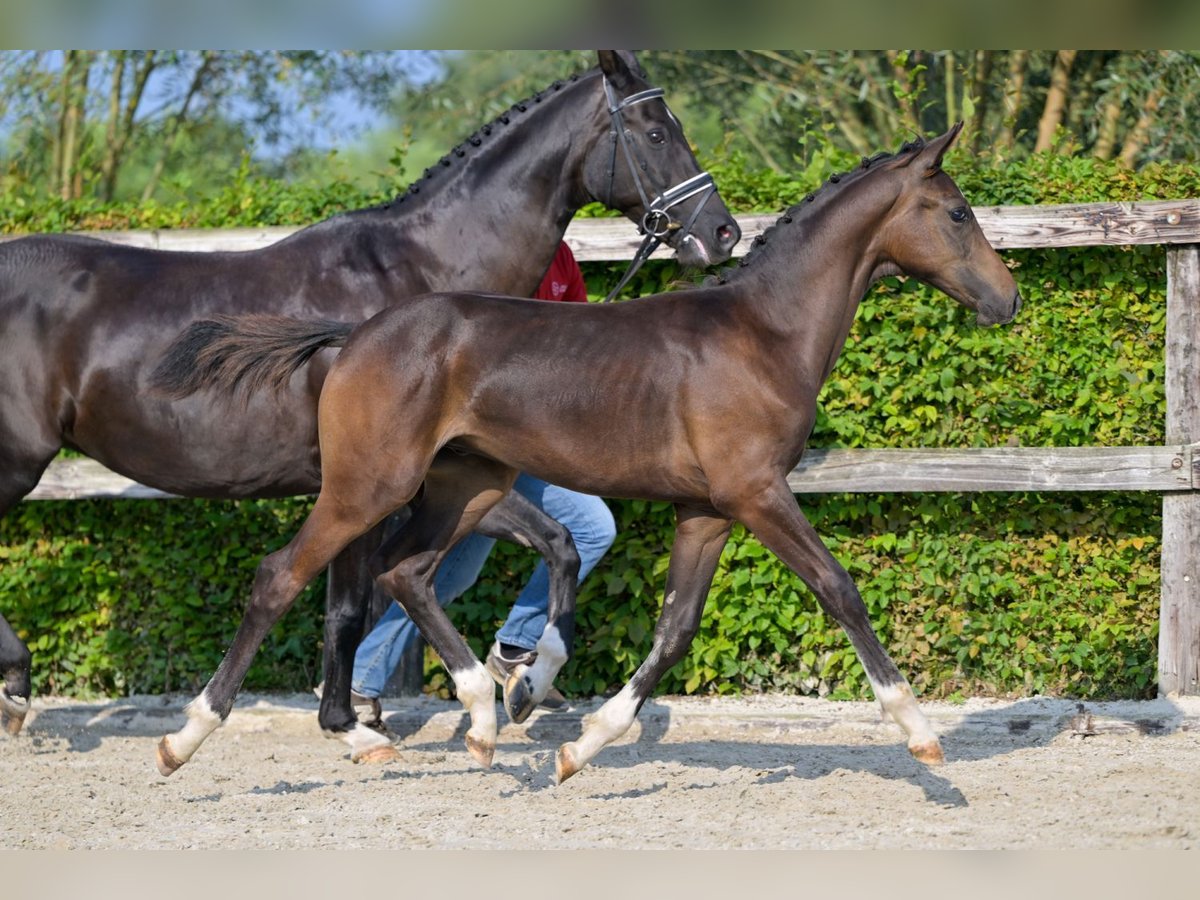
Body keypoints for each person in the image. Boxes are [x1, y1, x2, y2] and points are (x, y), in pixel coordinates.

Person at [340, 241, 616, 721]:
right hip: (477, 443)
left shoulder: (562, 256)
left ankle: (360, 683)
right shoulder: (494, 254)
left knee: (448, 574)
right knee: (592, 528)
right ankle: (514, 647)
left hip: (530, 440)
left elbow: (579, 339)